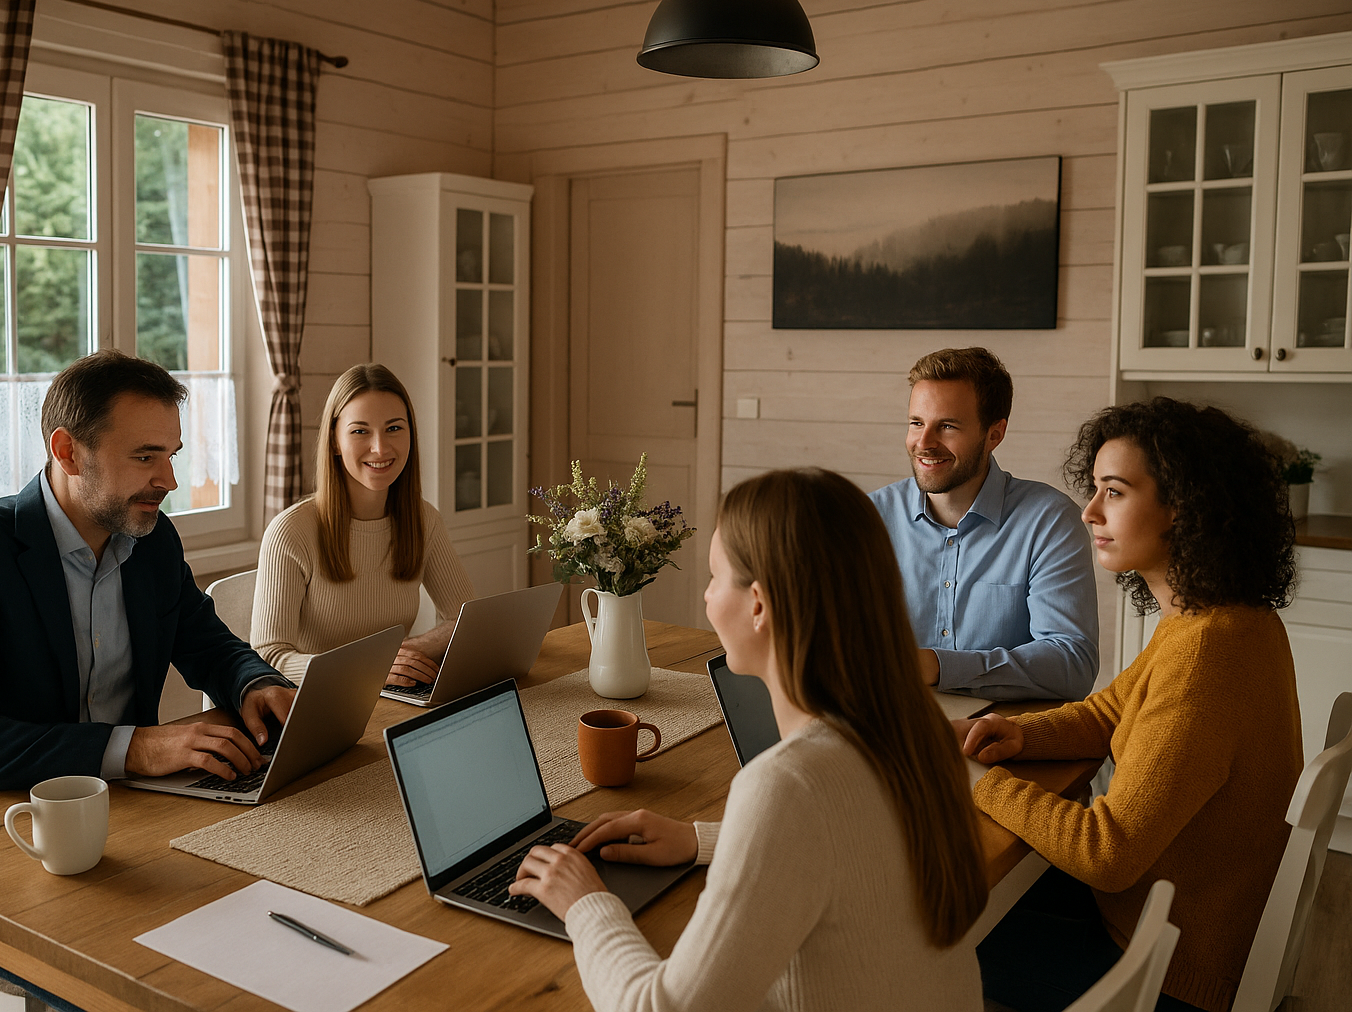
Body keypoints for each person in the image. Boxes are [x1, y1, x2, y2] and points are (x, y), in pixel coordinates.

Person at [509, 468, 988, 1012]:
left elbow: (661, 1008)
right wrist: (705, 841)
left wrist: (587, 902)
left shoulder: (788, 784)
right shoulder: (912, 729)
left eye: (715, 578)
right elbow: (848, 836)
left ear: (759, 605)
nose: (708, 599)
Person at [963, 398, 1301, 1012]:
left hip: (1166, 970)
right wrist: (1013, 736)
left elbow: (1106, 852)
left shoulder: (1208, 653)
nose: (1089, 511)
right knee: (958, 897)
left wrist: (979, 784)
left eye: (1113, 492)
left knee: (925, 935)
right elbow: (1108, 713)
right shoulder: (1212, 619)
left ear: (1185, 509)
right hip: (1158, 915)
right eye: (1094, 489)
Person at [0, 350, 296, 798]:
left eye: (171, 456)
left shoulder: (152, 538)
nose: (169, 480)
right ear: (68, 452)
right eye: (145, 457)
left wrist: (255, 683)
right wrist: (134, 750)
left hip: (126, 802)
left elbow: (206, 643)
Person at [870, 346, 1098, 701]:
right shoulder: (870, 517)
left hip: (1002, 736)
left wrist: (937, 666)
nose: (924, 443)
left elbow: (1072, 664)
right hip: (890, 729)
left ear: (995, 434)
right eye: (916, 423)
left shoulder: (1049, 521)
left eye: (947, 426)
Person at [251, 363, 474, 689]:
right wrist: (368, 667)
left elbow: (466, 617)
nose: (381, 448)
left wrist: (409, 652)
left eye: (394, 428)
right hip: (317, 702)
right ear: (335, 440)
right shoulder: (291, 531)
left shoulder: (424, 519)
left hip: (394, 696)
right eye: (360, 431)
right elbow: (269, 655)